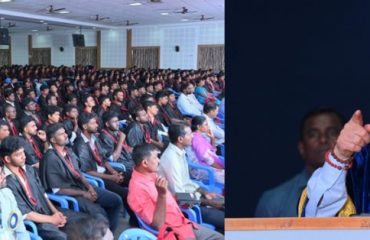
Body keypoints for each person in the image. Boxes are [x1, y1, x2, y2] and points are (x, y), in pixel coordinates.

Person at [254, 108, 345, 217]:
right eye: (313, 134)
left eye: (332, 133)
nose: (323, 140)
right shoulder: (274, 201)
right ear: (301, 148)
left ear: (347, 141)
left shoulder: (363, 193)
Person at [127, 143, 224, 240]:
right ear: (145, 163)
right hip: (172, 233)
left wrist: (202, 200)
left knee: (220, 237)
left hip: (183, 223)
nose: (159, 160)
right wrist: (162, 195)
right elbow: (157, 225)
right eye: (156, 157)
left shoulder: (151, 174)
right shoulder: (137, 189)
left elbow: (174, 198)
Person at [39, 123, 123, 232]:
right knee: (99, 214)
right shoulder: (50, 158)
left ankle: (108, 233)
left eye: (65, 132)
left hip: (82, 187)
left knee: (116, 200)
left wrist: (90, 187)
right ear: (53, 140)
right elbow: (57, 190)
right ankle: (102, 234)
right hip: (70, 193)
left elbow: (78, 173)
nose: (65, 135)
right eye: (61, 134)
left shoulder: (68, 151)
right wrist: (83, 194)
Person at [2, 136, 85, 240]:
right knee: (63, 237)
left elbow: (43, 194)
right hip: (35, 221)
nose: (23, 157)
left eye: (23, 152)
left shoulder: (29, 170)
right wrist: (51, 219)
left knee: (82, 221)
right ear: (7, 159)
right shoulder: (5, 182)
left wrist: (55, 212)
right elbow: (25, 214)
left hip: (46, 210)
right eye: (18, 155)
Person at [299, 109, 370, 217]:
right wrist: (340, 155)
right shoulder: (362, 157)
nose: (323, 140)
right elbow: (315, 218)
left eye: (332, 132)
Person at [73, 112, 138, 226]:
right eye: (93, 123)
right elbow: (87, 171)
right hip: (97, 177)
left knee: (134, 176)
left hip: (106, 172)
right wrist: (111, 177)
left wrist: (114, 172)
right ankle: (134, 222)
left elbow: (103, 158)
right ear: (84, 126)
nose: (96, 125)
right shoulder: (80, 144)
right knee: (125, 194)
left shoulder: (94, 138)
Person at [158, 123, 225, 232]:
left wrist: (204, 192)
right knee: (226, 220)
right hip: (186, 207)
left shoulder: (180, 151)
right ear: (180, 139)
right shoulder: (171, 159)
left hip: (193, 198)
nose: (192, 136)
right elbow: (179, 197)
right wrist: (208, 202)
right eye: (189, 134)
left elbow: (187, 181)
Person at [189, 116, 224, 184]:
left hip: (209, 164)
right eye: (206, 124)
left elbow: (212, 150)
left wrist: (212, 138)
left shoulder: (200, 136)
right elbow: (207, 159)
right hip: (204, 169)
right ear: (199, 127)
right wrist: (220, 168)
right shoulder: (196, 139)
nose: (208, 126)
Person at [99, 111, 135, 179]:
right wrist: (121, 140)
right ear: (107, 124)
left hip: (128, 158)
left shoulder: (117, 132)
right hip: (120, 163)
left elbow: (128, 149)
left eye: (117, 121)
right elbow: (113, 158)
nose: (117, 124)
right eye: (114, 122)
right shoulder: (104, 137)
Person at [0, 165, 30, 240]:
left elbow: (20, 228)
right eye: (0, 175)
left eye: (2, 172)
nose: (4, 176)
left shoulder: (7, 194)